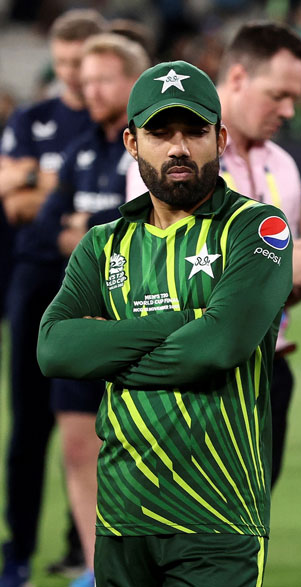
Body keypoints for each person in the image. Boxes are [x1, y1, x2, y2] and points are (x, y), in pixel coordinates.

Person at [37, 59, 291, 586]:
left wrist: (108, 355)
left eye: (194, 131)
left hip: (217, 519)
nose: (178, 147)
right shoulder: (102, 243)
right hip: (121, 515)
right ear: (132, 142)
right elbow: (56, 349)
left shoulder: (257, 228)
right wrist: (188, 320)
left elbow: (218, 347)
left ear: (220, 137)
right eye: (160, 132)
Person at [127, 21, 301, 489]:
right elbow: (159, 282)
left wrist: (298, 281)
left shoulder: (283, 166)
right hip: (192, 375)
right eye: (277, 95)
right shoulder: (169, 158)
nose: (288, 110)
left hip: (269, 370)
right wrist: (283, 273)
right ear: (239, 78)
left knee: (250, 534)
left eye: (295, 98)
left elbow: (274, 299)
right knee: (184, 532)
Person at [34, 32, 149, 587]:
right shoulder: (81, 150)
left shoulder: (149, 150)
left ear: (134, 83)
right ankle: (93, 565)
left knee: (134, 451)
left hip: (135, 326)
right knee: (78, 447)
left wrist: (84, 230)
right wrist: (85, 232)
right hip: (83, 322)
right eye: (84, 77)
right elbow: (43, 231)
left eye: (103, 77)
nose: (88, 86)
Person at [0, 10, 106, 586]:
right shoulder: (34, 118)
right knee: (29, 422)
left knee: (89, 420)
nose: (72, 75)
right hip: (37, 278)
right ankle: (17, 547)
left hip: (95, 286)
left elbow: (31, 197)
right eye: (63, 63)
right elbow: (11, 205)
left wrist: (34, 183)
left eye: (81, 63)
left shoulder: (111, 126)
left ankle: (79, 549)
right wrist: (50, 200)